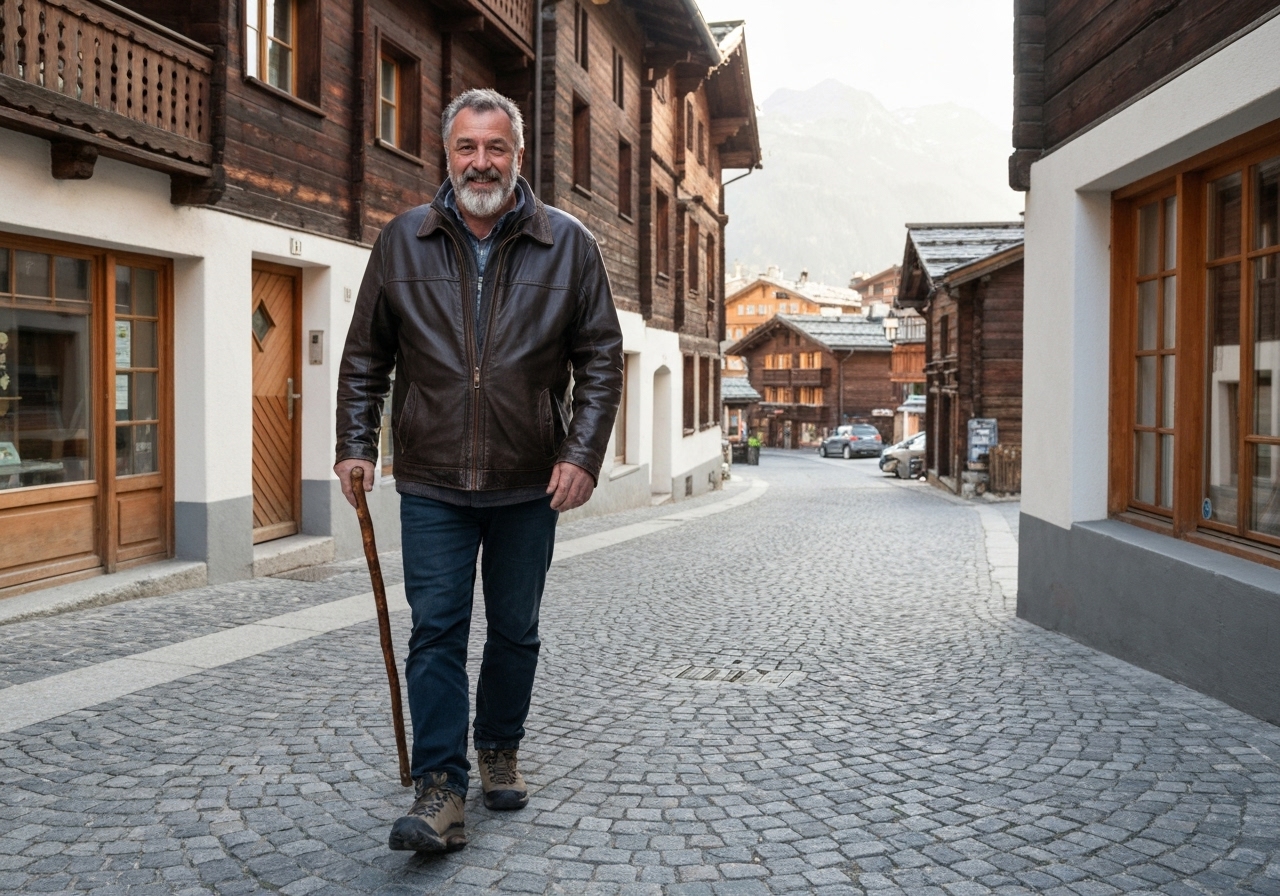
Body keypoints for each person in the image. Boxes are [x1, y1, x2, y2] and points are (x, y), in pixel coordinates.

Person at [333, 88, 623, 854]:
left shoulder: (570, 244)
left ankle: (498, 745)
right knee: (436, 632)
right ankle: (440, 790)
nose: (481, 161)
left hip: (531, 480)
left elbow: (600, 361)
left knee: (515, 631)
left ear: (518, 157)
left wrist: (582, 454)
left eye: (496, 148)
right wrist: (355, 442)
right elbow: (367, 356)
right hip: (431, 479)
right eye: (467, 147)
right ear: (447, 154)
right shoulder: (402, 241)